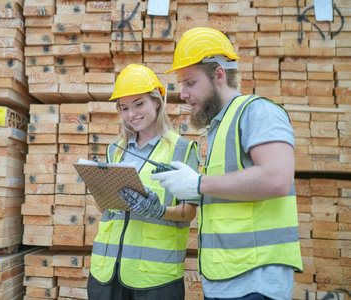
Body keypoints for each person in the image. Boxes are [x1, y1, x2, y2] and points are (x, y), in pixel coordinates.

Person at [149, 27, 303, 300]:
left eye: (190, 83)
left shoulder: (257, 111)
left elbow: (278, 178)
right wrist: (192, 189)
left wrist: (198, 183)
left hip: (256, 280)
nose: (182, 94)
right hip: (223, 279)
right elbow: (226, 191)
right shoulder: (215, 130)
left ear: (218, 75)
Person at [87, 64, 200, 300]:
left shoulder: (181, 149)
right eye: (125, 107)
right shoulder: (114, 150)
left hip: (154, 278)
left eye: (139, 104)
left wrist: (158, 211)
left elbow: (189, 212)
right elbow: (106, 210)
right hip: (107, 271)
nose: (132, 114)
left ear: (156, 102)